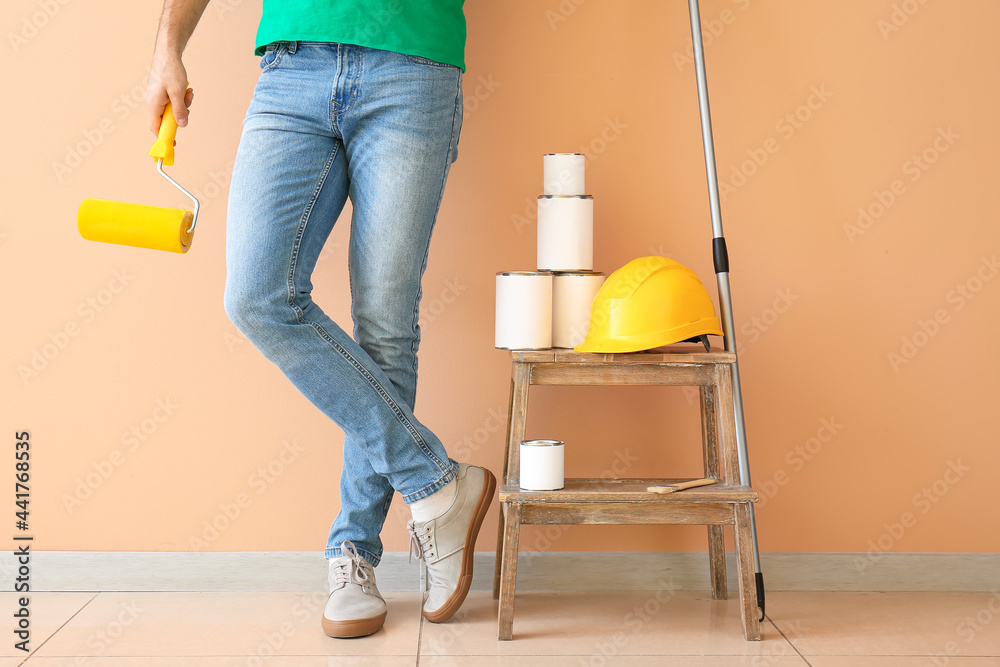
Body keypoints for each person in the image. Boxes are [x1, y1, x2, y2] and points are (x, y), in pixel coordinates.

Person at [145, 0, 495, 638]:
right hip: (294, 62)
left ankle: (353, 554)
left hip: (414, 62)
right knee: (256, 296)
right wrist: (168, 47)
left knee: (385, 322)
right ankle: (436, 486)